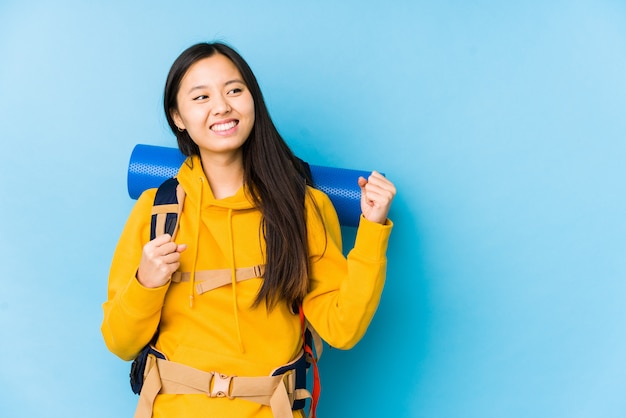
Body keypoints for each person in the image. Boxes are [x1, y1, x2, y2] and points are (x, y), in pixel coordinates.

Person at [101, 42, 396, 418]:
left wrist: (372, 230)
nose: (222, 106)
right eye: (201, 96)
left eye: (235, 90)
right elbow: (120, 342)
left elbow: (343, 328)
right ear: (178, 116)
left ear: (252, 100)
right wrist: (147, 281)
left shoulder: (302, 207)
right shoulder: (157, 211)